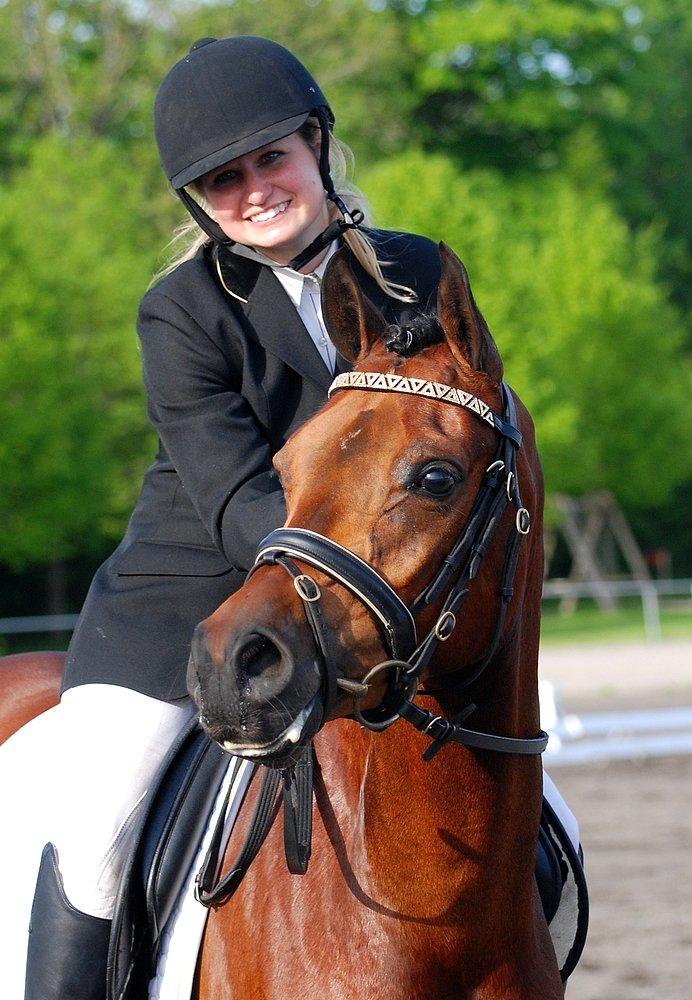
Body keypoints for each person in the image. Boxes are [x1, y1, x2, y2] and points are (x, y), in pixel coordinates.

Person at [0, 35, 579, 999]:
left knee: (535, 819)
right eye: (224, 179)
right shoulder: (181, 313)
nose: (256, 189)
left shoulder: (422, 275)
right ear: (198, 202)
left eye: (272, 158)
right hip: (189, 604)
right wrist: (334, 576)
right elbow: (231, 496)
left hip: (379, 609)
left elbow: (459, 442)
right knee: (95, 825)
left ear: (316, 143)